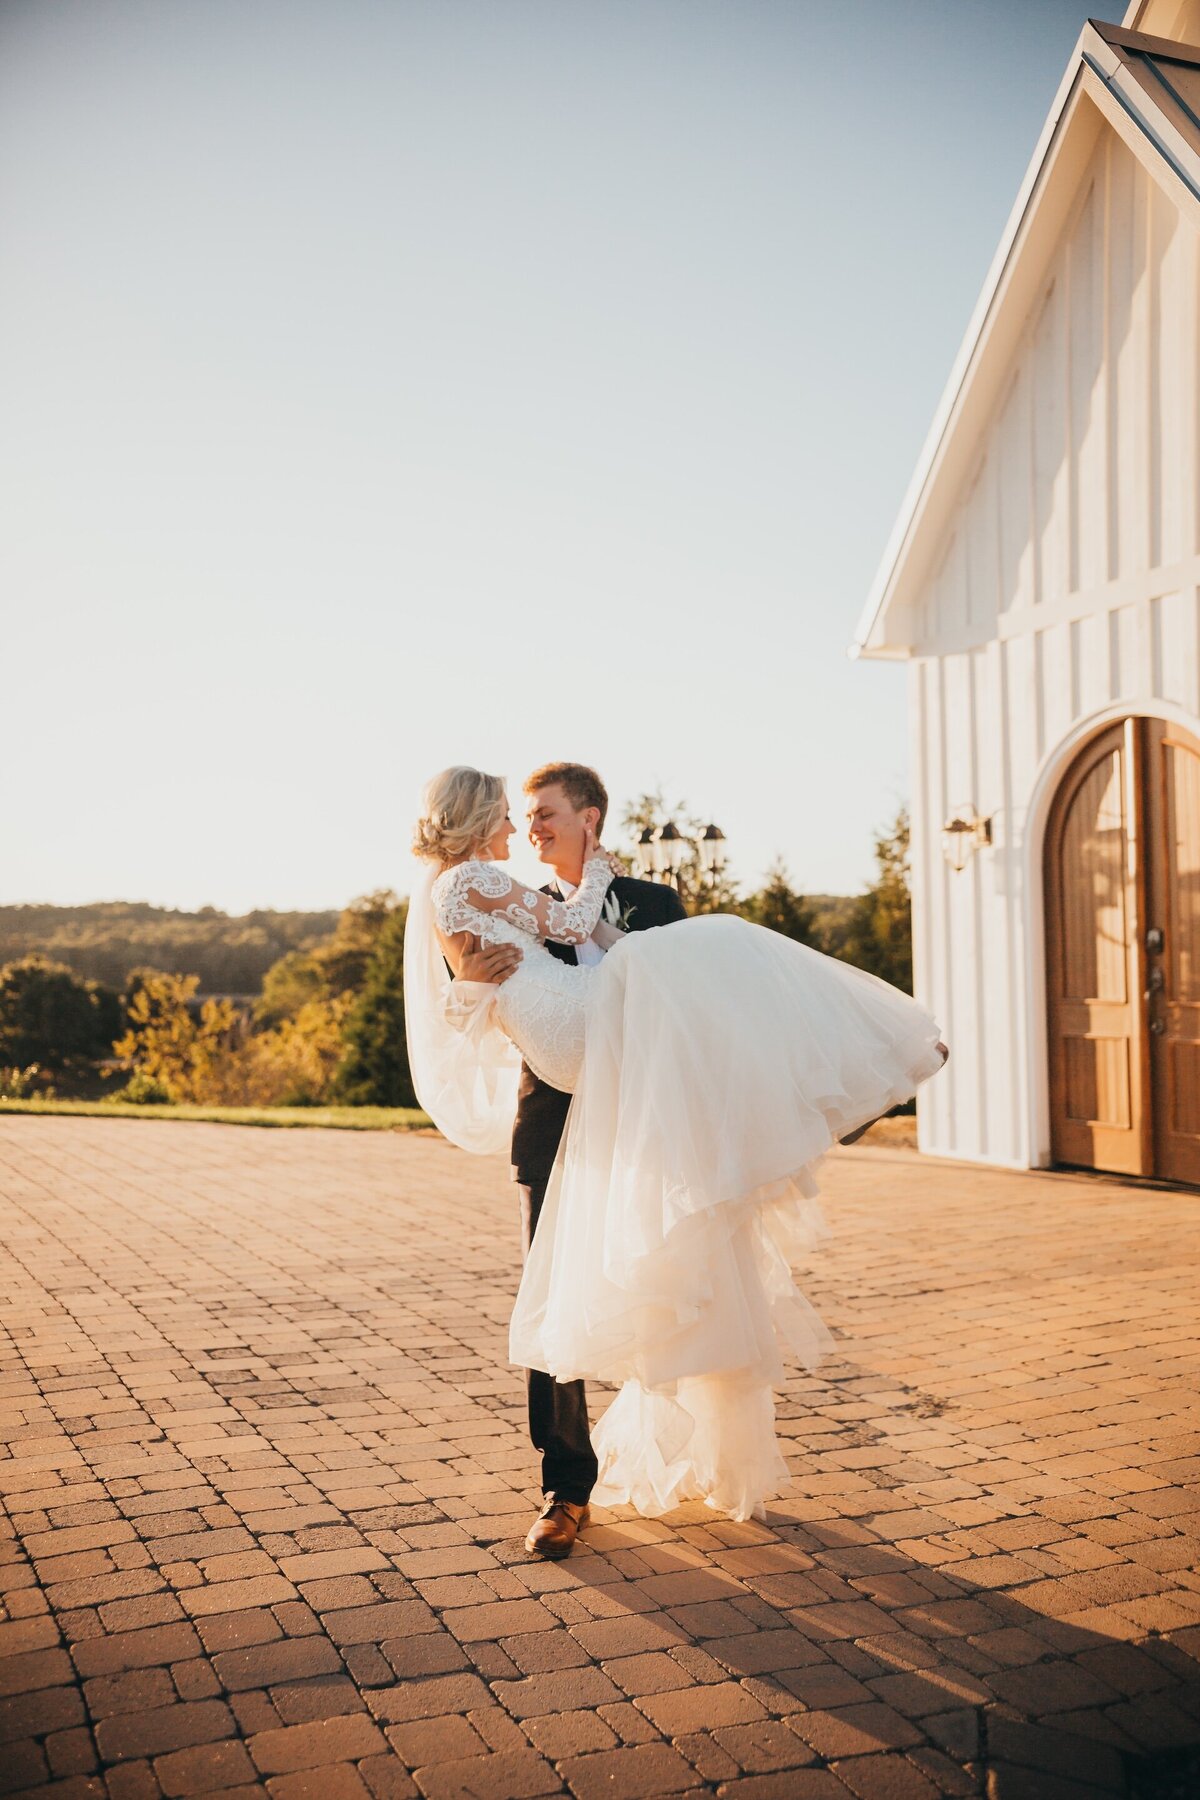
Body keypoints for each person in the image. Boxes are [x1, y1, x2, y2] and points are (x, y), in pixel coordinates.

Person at [405, 765, 947, 1540]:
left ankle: (839, 1081)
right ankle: (564, 1489)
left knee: (675, 1269)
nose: (528, 828)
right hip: (557, 1116)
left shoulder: (650, 902)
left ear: (588, 815)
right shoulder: (501, 891)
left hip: (647, 1115)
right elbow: (458, 1009)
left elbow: (691, 1018)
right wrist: (468, 981)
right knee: (552, 1300)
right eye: (518, 815)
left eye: (544, 814)